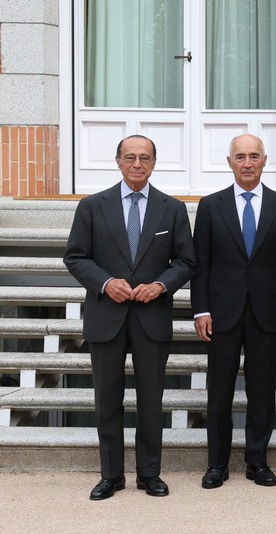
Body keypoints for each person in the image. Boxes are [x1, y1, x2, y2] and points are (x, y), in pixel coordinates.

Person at [64, 135, 195, 500]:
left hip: (151, 316)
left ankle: (149, 474)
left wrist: (161, 286)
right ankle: (111, 475)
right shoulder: (92, 206)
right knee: (107, 399)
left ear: (154, 163)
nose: (137, 164)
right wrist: (105, 283)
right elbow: (75, 257)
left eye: (145, 158)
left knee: (151, 399)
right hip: (107, 316)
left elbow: (186, 261)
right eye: (130, 157)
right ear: (118, 161)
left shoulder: (172, 209)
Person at [192, 134, 276, 489]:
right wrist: (201, 311)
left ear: (264, 160)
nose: (247, 162)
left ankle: (257, 461)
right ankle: (216, 465)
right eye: (240, 156)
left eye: (254, 156)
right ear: (230, 162)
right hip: (222, 313)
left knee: (262, 390)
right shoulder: (210, 206)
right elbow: (201, 266)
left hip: (266, 312)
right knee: (219, 392)